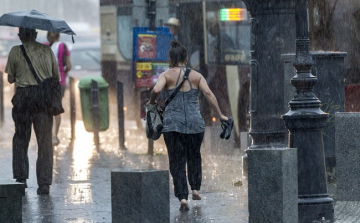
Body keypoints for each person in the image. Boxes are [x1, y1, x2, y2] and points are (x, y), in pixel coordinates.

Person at [146, 40, 231, 211]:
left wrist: (152, 102)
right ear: (185, 58)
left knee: (177, 161)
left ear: (171, 59)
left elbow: (156, 90)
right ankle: (195, 189)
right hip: (195, 125)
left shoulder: (166, 75)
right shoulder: (196, 76)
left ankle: (183, 198)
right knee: (194, 156)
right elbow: (208, 93)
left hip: (173, 126)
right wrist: (220, 114)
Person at [5, 27, 60, 195]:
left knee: (21, 139)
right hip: (43, 100)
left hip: (23, 99)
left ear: (21, 36)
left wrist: (22, 74)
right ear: (35, 35)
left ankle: (21, 179)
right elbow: (55, 76)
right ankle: (44, 184)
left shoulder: (15, 51)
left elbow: (10, 78)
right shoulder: (47, 51)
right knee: (45, 142)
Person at [45, 31, 71, 146]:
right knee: (56, 108)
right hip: (60, 81)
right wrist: (62, 72)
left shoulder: (44, 47)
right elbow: (69, 65)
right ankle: (55, 135)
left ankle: (50, 134)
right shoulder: (63, 46)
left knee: (47, 108)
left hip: (46, 82)